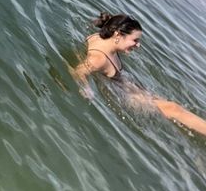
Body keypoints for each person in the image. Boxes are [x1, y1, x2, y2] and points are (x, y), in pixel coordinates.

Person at [72, 12, 206, 137]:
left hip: (125, 84)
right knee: (174, 109)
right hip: (124, 95)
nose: (138, 45)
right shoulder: (99, 59)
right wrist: (86, 88)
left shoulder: (99, 37)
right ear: (118, 35)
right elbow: (78, 72)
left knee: (173, 108)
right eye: (135, 40)